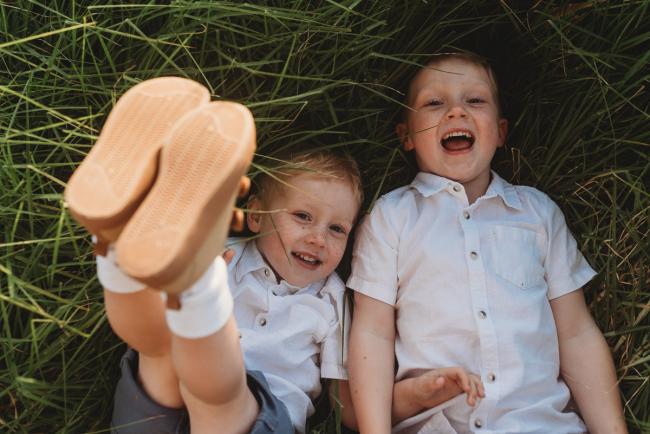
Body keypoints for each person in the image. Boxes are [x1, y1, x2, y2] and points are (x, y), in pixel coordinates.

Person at [346, 53, 628, 434]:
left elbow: (575, 332)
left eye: (474, 101)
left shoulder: (537, 213)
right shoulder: (391, 217)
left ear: (499, 131)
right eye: (434, 103)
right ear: (407, 136)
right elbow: (373, 332)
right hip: (441, 425)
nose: (455, 112)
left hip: (541, 424)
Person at [64, 76, 363, 433]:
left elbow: (345, 401)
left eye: (337, 229)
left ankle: (113, 242)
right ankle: (186, 280)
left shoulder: (335, 298)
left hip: (167, 403)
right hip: (249, 417)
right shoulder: (229, 254)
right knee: (202, 387)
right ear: (254, 215)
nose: (318, 238)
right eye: (302, 217)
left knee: (156, 350)